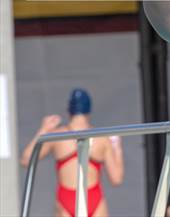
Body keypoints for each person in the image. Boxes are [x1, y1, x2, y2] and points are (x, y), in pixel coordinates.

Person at [20, 89, 124, 217]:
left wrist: (43, 130)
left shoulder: (57, 136)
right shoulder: (101, 138)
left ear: (69, 110)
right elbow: (116, 179)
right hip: (93, 199)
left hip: (66, 200)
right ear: (88, 111)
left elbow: (25, 160)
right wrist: (117, 148)